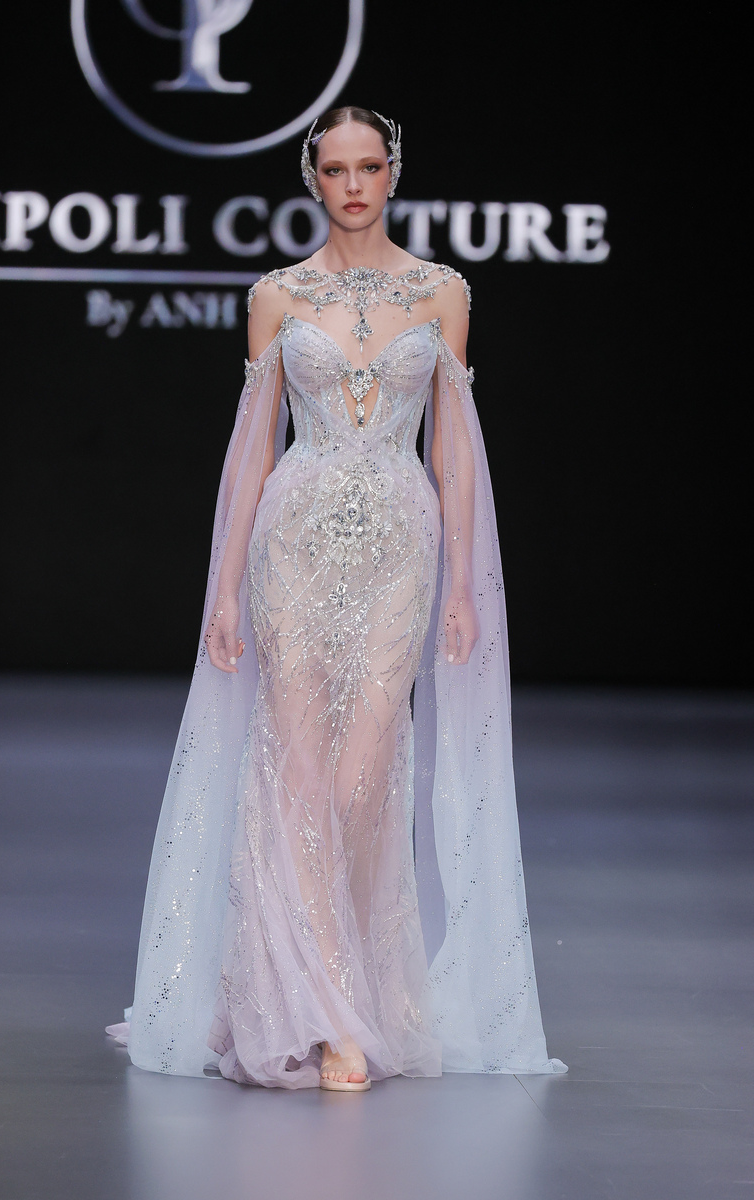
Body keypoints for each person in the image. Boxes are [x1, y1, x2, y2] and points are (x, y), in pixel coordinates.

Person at [106, 106, 566, 1091]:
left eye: (368, 166)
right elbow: (251, 448)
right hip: (294, 542)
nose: (352, 185)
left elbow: (452, 448)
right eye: (334, 169)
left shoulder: (442, 291)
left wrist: (460, 579)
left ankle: (322, 987)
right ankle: (323, 1021)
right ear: (311, 179)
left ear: (393, 171)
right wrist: (224, 588)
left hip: (399, 548)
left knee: (362, 777)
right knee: (297, 772)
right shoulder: (276, 295)